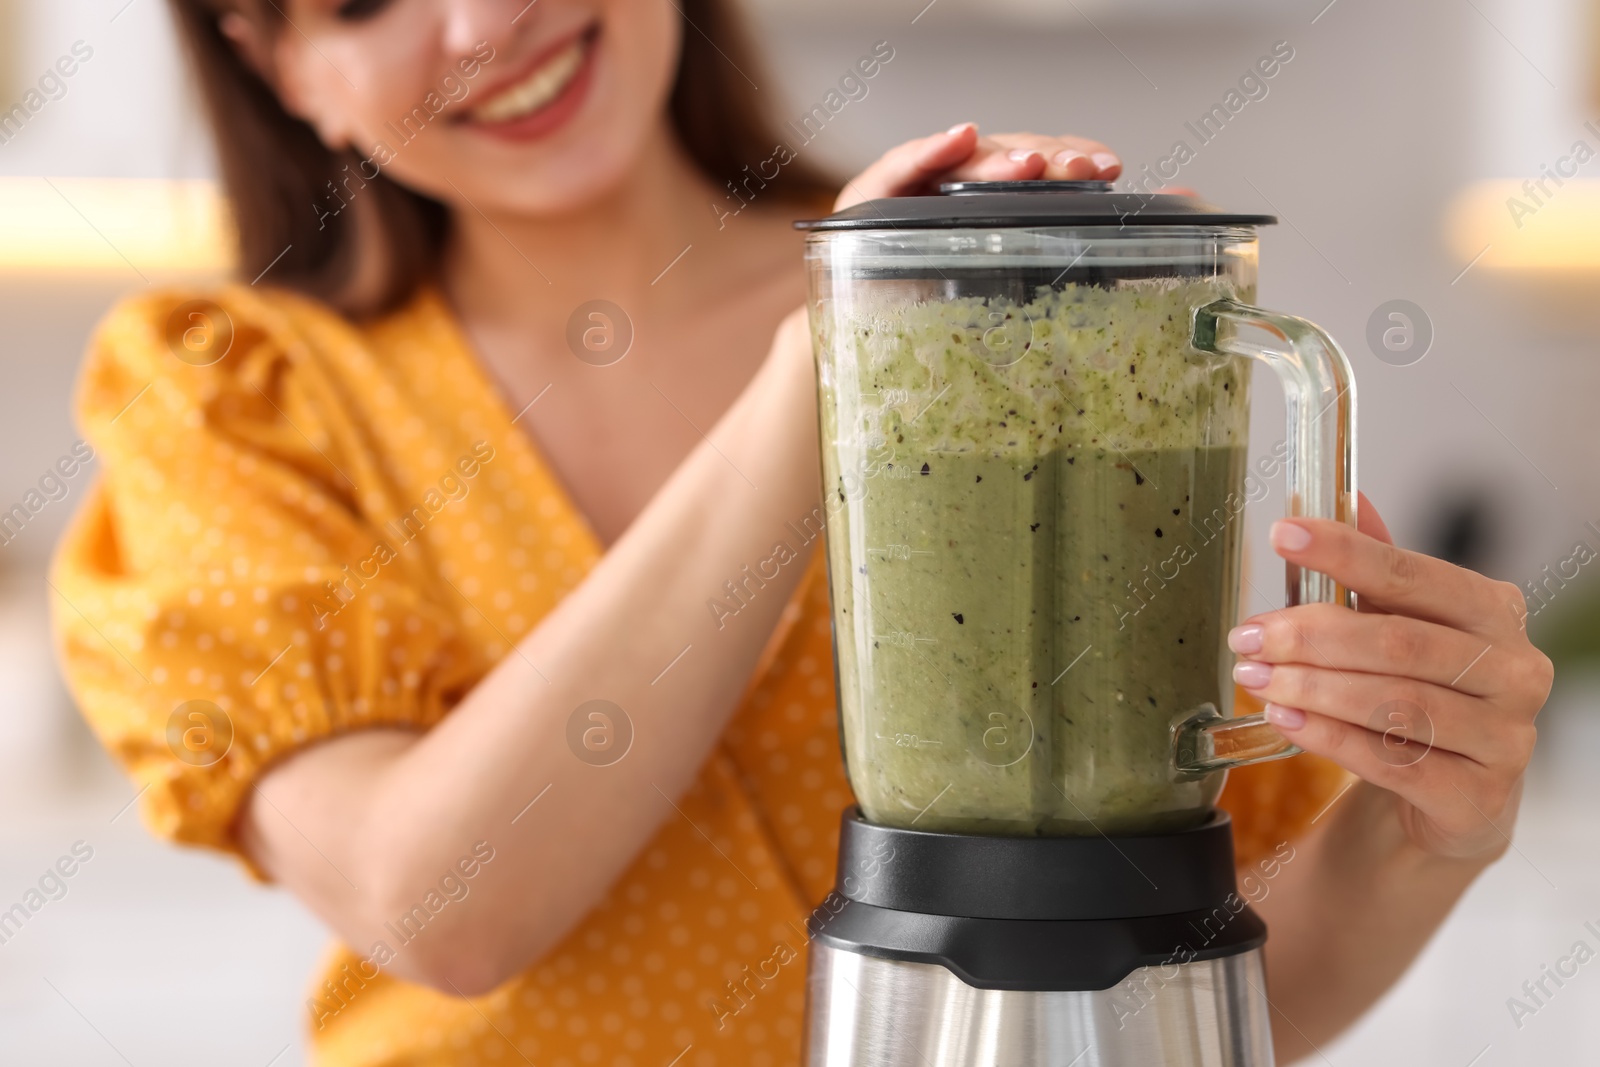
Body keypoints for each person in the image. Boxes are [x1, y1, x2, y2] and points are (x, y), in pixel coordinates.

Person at [49, 1, 1551, 1064]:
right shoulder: (229, 405)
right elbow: (437, 911)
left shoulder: (1003, 301)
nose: (485, 18)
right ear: (275, 57)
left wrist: (1428, 838)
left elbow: (1165, 994)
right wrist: (825, 353)